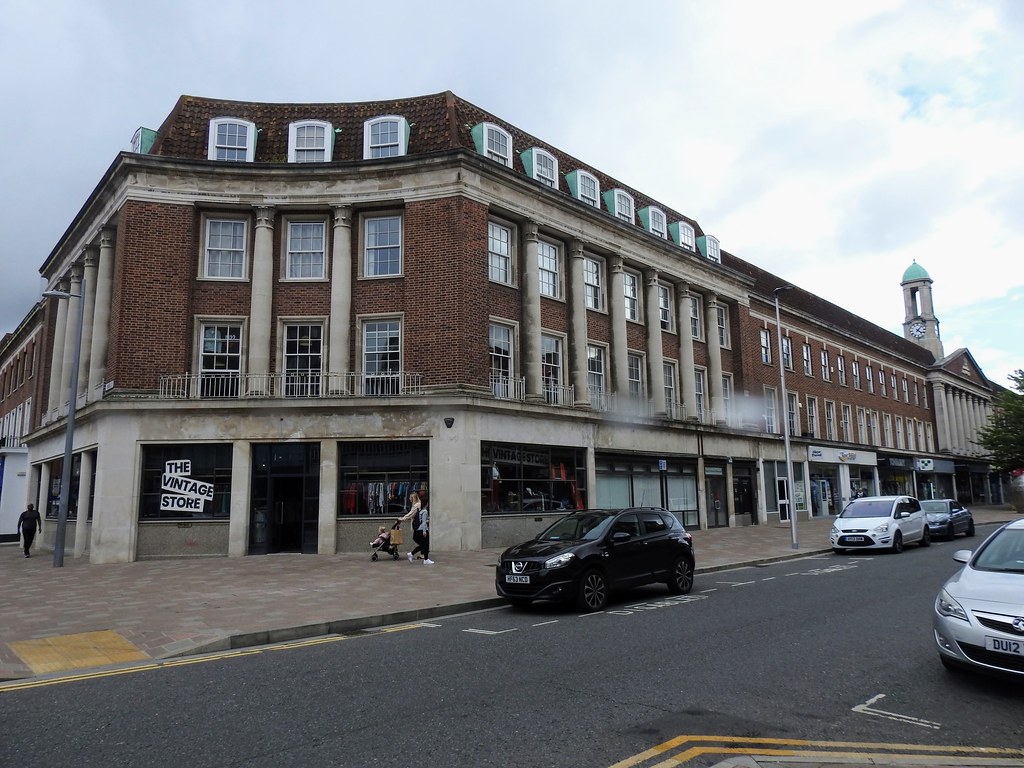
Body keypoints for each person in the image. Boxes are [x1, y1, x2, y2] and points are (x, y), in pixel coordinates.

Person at [398, 492, 433, 564]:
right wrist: (424, 531)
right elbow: (423, 521)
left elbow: (417, 517)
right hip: (422, 529)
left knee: (424, 545)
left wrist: (403, 519)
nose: (409, 499)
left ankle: (425, 559)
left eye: (410, 498)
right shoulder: (423, 510)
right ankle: (413, 554)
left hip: (418, 529)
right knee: (424, 544)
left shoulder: (419, 508)